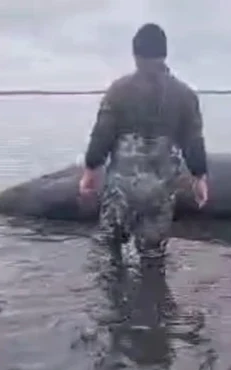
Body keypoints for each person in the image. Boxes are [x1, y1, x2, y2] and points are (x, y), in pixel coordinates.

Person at [79, 23, 209, 258]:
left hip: (121, 190)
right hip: (159, 191)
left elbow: (102, 134)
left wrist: (90, 170)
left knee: (111, 251)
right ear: (165, 54)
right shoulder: (185, 95)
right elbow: (193, 140)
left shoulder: (118, 90)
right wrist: (199, 177)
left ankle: (113, 294)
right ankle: (154, 293)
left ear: (135, 54)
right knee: (153, 256)